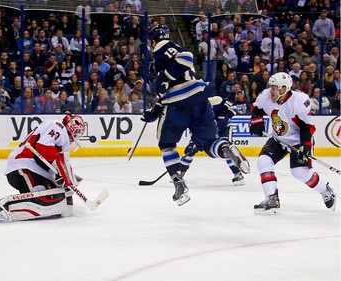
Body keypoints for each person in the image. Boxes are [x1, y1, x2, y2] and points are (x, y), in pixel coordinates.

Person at [142, 26, 250, 206]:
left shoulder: (163, 45)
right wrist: (155, 110)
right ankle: (226, 148)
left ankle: (179, 185)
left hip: (177, 104)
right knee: (209, 143)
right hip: (199, 100)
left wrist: (164, 77)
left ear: (154, 40)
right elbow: (167, 84)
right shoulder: (167, 57)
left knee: (167, 145)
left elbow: (186, 57)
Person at [250, 72, 336, 215]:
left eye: (274, 88)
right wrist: (256, 119)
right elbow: (256, 108)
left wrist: (306, 146)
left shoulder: (299, 101)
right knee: (263, 161)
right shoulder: (266, 96)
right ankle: (271, 198)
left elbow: (307, 127)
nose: (271, 90)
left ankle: (325, 190)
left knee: (300, 172)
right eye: (271, 87)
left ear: (284, 89)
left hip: (298, 140)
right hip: (278, 139)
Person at [0, 114, 86, 222]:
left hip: (36, 171)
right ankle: (3, 208)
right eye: (77, 133)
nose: (76, 137)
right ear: (71, 127)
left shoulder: (61, 137)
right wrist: (62, 171)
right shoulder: (58, 127)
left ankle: (12, 206)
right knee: (44, 198)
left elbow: (51, 162)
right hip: (24, 166)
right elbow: (43, 148)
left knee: (59, 199)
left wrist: (65, 180)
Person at [181, 95, 245, 186]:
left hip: (224, 129)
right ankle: (180, 175)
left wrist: (224, 116)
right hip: (208, 133)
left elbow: (234, 106)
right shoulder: (193, 113)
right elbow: (195, 130)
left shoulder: (216, 101)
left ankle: (238, 174)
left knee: (226, 149)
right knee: (189, 150)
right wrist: (195, 142)